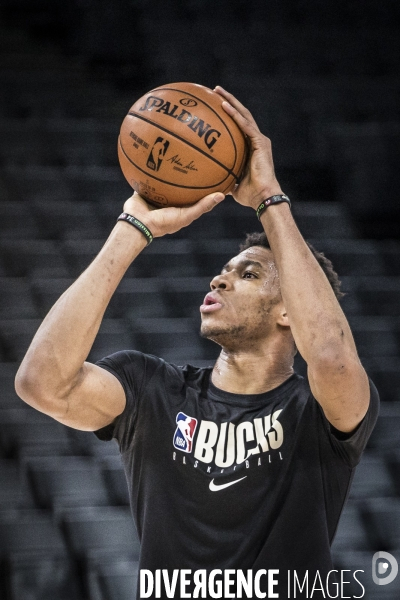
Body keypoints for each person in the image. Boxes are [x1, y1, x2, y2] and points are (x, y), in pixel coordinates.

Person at [15, 86, 379, 599]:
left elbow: (330, 355)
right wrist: (132, 229)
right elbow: (40, 384)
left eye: (248, 274)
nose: (219, 280)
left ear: (288, 311)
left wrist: (268, 199)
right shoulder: (151, 389)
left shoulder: (318, 412)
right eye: (222, 271)